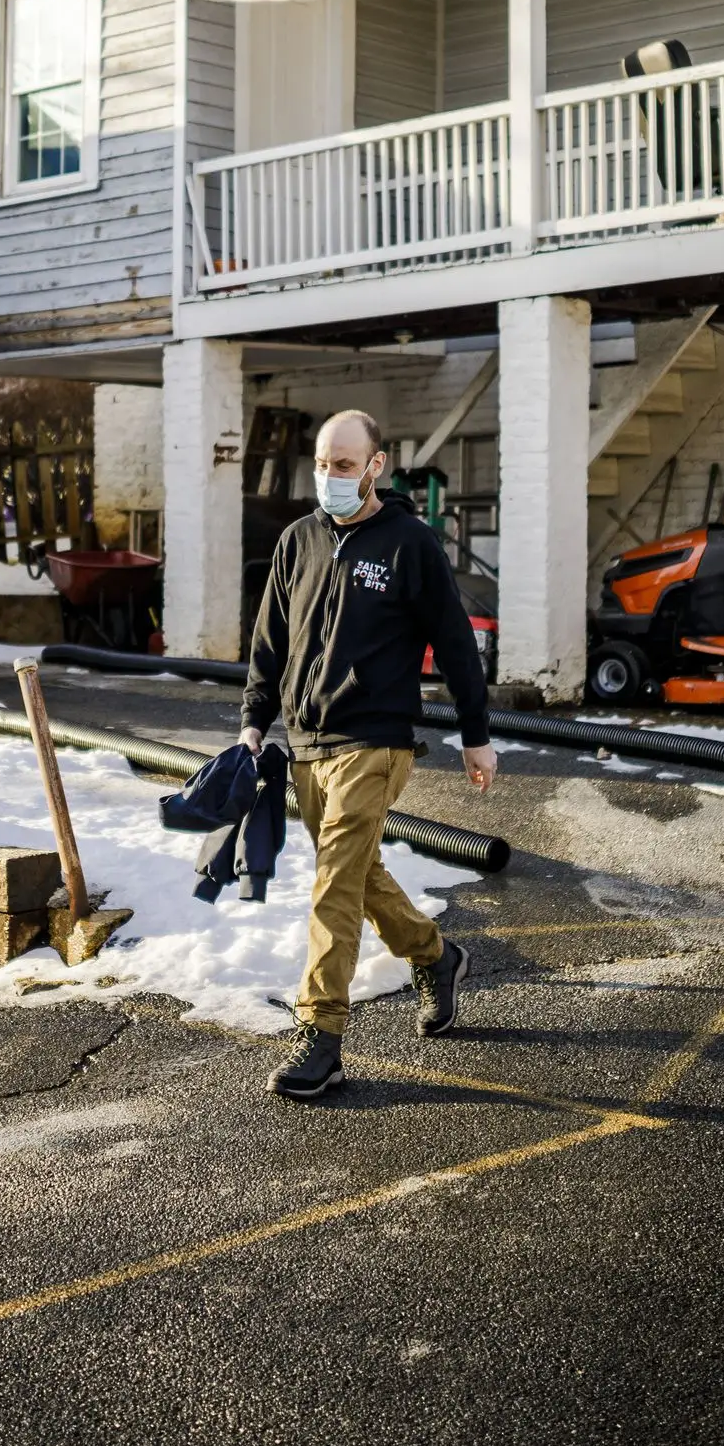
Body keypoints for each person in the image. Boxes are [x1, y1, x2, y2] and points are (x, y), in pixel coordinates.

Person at [239, 407, 497, 1103]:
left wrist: (476, 733)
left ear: (376, 466)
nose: (331, 478)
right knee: (354, 871)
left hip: (377, 738)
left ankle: (320, 1036)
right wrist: (253, 724)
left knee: (332, 884)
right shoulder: (298, 542)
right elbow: (269, 642)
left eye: (345, 466)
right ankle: (438, 958)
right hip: (308, 742)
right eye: (322, 465)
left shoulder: (410, 544)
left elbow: (452, 641)